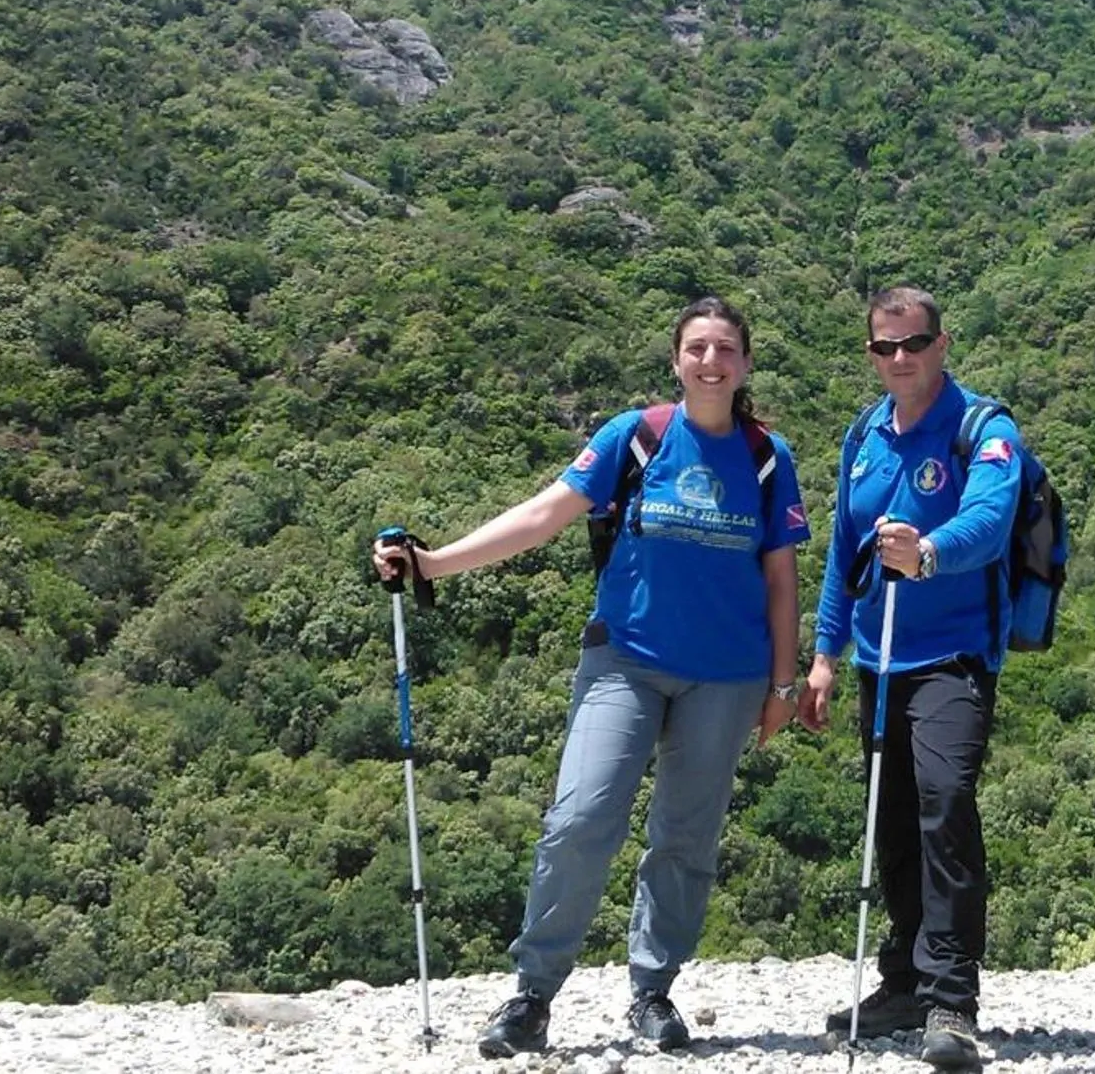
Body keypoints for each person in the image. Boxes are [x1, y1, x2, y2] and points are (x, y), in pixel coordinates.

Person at [373, 297, 807, 1058]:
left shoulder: (767, 456)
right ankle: (533, 994)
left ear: (744, 363)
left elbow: (780, 576)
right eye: (697, 348)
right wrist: (433, 561)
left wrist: (781, 685)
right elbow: (545, 514)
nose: (710, 361)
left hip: (727, 675)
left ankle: (652, 991)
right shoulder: (636, 436)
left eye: (724, 349)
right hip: (625, 660)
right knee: (580, 817)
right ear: (676, 358)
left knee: (686, 836)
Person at [801, 286, 1024, 1073]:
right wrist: (825, 654)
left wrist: (926, 552)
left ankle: (952, 1000)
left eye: (914, 343)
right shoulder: (864, 433)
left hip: (953, 655)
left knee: (943, 803)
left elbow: (991, 520)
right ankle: (903, 979)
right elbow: (842, 550)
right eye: (883, 347)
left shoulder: (982, 428)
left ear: (942, 343)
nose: (899, 359)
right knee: (890, 819)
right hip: (878, 658)